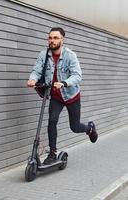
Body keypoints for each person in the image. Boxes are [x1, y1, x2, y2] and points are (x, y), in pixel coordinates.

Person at [27, 27, 98, 165]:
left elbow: (77, 75)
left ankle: (89, 128)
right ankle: (52, 153)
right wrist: (32, 79)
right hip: (56, 97)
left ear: (62, 40)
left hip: (71, 96)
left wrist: (64, 83)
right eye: (50, 38)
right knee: (52, 121)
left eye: (55, 38)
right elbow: (36, 70)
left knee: (75, 127)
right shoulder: (44, 55)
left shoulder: (70, 55)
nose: (52, 41)